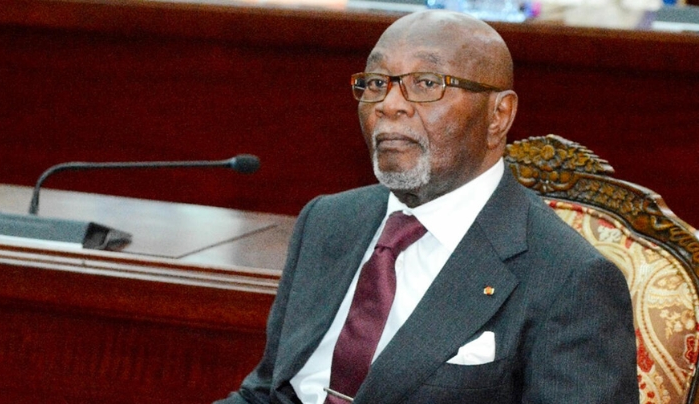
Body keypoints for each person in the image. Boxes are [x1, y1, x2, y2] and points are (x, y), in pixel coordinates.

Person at [216, 9, 638, 404]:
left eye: (426, 83)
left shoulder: (570, 279)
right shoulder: (327, 221)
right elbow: (265, 394)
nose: (389, 104)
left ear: (498, 115)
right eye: (376, 83)